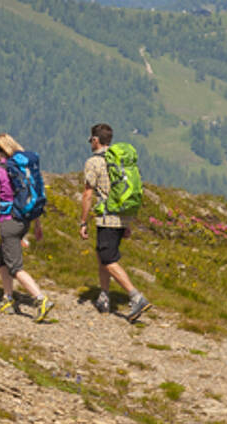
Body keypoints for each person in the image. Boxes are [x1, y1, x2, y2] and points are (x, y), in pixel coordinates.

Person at [80, 122, 150, 321]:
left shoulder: (93, 162)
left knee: (108, 259)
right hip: (123, 215)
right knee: (102, 254)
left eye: (91, 140)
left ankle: (136, 297)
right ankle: (104, 295)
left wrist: (83, 222)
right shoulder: (120, 161)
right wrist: (127, 224)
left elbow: (87, 194)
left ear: (95, 140)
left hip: (107, 217)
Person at [0, 133, 53, 322]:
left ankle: (41, 299)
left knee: (15, 267)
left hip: (9, 222)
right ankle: (7, 298)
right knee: (1, 260)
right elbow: (33, 195)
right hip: (24, 220)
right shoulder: (24, 170)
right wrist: (37, 224)